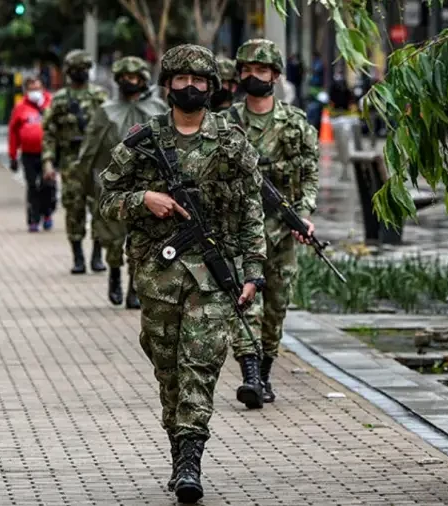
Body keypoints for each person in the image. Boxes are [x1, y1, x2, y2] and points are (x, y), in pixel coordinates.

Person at [99, 44, 266, 503]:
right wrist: (143, 200)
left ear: (211, 87)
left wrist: (254, 270)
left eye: (198, 80)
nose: (189, 87)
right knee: (168, 368)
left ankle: (191, 460)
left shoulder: (231, 142)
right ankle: (178, 447)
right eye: (180, 80)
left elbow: (252, 211)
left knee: (201, 364)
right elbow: (106, 198)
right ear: (167, 85)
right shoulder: (143, 140)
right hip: (159, 275)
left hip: (215, 276)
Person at [223, 39, 320, 407]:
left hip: (281, 234)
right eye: (246, 70)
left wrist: (304, 213)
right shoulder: (226, 123)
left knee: (276, 309)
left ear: (275, 76)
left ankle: (263, 375)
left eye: (260, 71)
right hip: (238, 234)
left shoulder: (294, 124)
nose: (253, 76)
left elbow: (310, 174)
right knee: (246, 304)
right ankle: (249, 377)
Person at [73, 56, 168, 308]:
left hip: (147, 186)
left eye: (135, 78)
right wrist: (84, 186)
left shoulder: (158, 110)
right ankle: (114, 274)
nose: (130, 82)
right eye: (125, 78)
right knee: (114, 238)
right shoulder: (105, 111)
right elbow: (89, 150)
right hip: (113, 185)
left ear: (143, 80)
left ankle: (134, 288)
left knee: (141, 240)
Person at [41, 49, 108, 274]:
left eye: (84, 69)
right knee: (74, 209)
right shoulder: (60, 99)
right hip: (71, 161)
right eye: (76, 70)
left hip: (96, 162)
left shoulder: (100, 97)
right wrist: (48, 162)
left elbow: (111, 129)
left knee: (100, 209)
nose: (81, 73)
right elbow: (49, 133)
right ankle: (78, 256)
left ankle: (98, 254)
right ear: (69, 72)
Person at [8, 76, 54, 232]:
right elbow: (13, 132)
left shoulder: (51, 104)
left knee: (48, 185)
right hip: (28, 154)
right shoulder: (20, 108)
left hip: (48, 153)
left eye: (37, 88)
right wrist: (13, 156)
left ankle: (47, 213)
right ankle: (33, 219)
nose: (35, 92)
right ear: (26, 91)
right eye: (32, 89)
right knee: (33, 185)